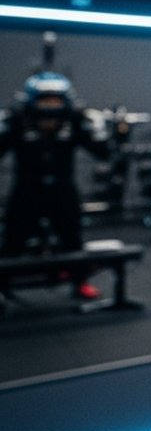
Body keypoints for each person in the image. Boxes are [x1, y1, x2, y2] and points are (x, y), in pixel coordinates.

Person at [0, 72, 114, 299]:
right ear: (33, 99)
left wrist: (100, 131)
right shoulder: (18, 121)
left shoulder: (73, 122)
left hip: (62, 190)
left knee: (72, 239)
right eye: (45, 99)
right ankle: (3, 287)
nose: (51, 105)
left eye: (56, 99)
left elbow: (103, 154)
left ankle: (79, 282)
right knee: (12, 242)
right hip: (26, 189)